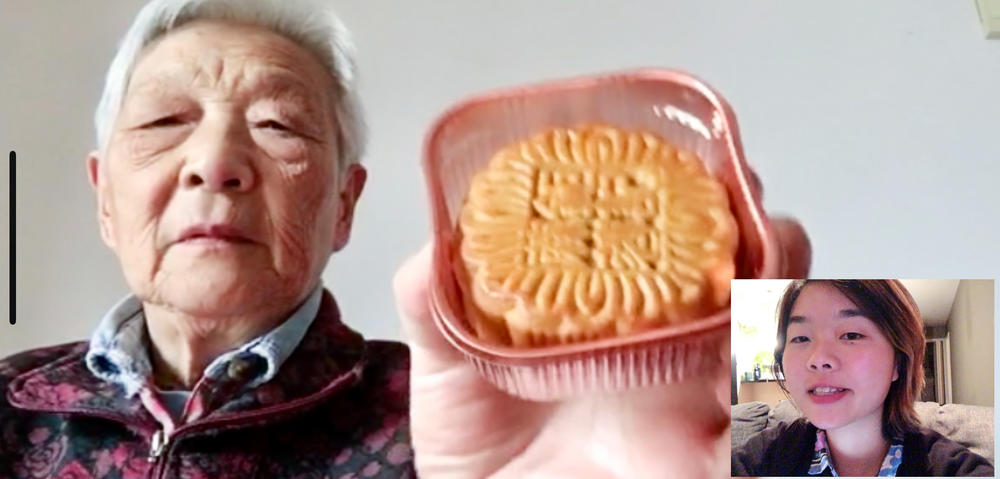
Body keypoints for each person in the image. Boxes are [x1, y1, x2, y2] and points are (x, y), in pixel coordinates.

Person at [0, 0, 811, 477]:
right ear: (105, 197)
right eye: (166, 121)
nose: (215, 163)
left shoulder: (462, 416)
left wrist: (800, 439)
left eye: (279, 125)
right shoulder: (10, 408)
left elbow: (909, 422)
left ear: (344, 204)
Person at [731, 280, 994, 477]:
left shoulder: (954, 469)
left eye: (851, 335)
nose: (818, 357)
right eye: (801, 337)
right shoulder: (765, 455)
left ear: (898, 362)